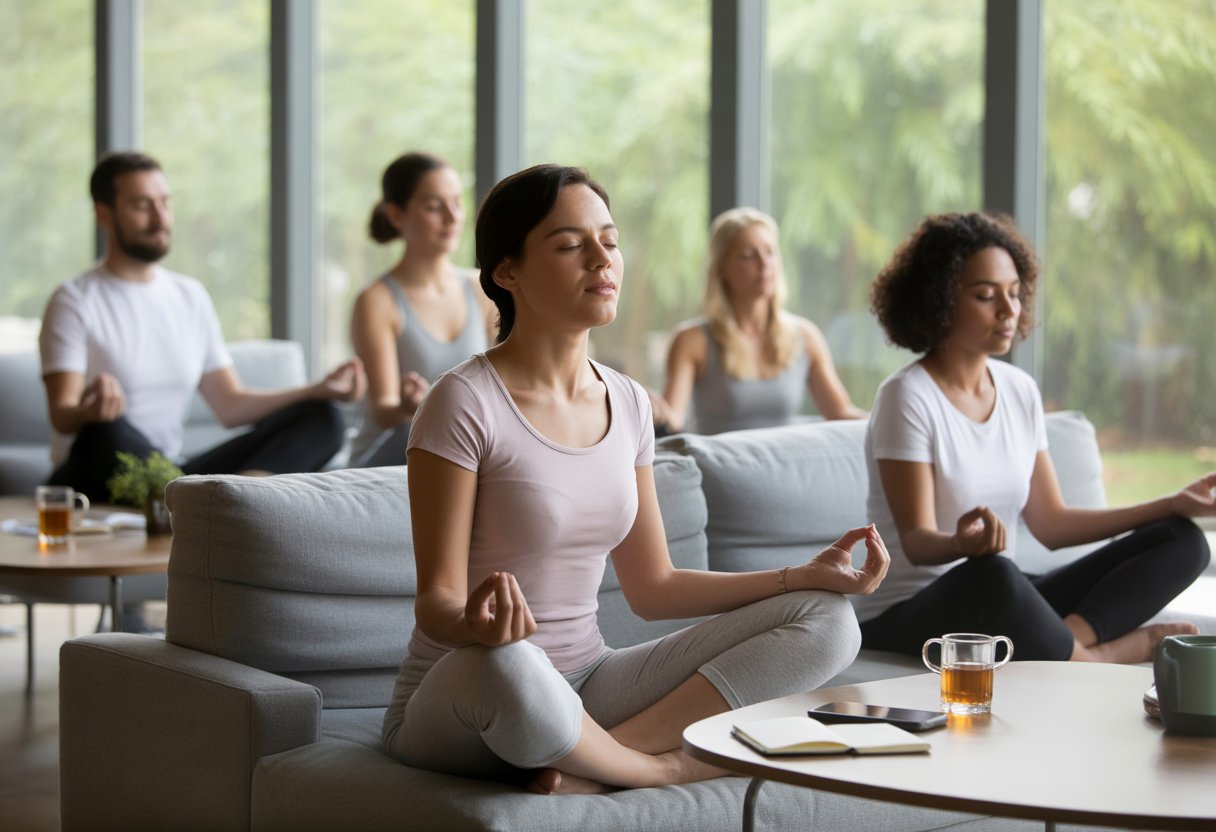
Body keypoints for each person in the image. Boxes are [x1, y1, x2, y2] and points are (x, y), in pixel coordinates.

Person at [380, 164, 891, 794]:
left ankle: (595, 760)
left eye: (610, 241)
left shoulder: (628, 402)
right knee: (511, 666)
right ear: (507, 272)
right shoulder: (463, 402)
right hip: (470, 691)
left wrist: (799, 577)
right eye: (570, 245)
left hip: (590, 682)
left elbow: (653, 587)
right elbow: (436, 603)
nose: (602, 259)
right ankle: (659, 767)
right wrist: (476, 628)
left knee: (829, 619)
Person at [857, 211, 1213, 663]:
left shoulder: (1019, 390)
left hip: (1003, 595)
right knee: (994, 574)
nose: (1009, 310)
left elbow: (1052, 524)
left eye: (1014, 293)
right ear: (939, 300)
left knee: (1181, 540)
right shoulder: (906, 396)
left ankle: (1068, 644)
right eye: (986, 296)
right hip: (912, 611)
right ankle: (1096, 660)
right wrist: (961, 546)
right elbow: (917, 540)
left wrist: (1171, 503)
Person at [40, 151, 367, 505]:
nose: (160, 218)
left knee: (323, 418)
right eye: (141, 205)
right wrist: (90, 411)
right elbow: (63, 416)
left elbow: (230, 405)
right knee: (102, 432)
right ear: (104, 213)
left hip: (170, 474)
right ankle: (197, 504)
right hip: (96, 469)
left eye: (165, 203)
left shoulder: (189, 296)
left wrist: (317, 389)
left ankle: (236, 502)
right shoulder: (74, 300)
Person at [654, 207, 866, 435]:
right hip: (715, 470)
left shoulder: (806, 336)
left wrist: (893, 420)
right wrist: (651, 408)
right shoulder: (692, 340)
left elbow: (840, 413)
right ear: (721, 268)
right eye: (748, 256)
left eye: (770, 252)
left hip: (786, 469)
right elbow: (673, 419)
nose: (764, 264)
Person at [348, 152, 495, 467]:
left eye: (457, 202)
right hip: (390, 453)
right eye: (433, 206)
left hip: (459, 448)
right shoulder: (377, 300)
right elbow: (384, 410)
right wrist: (411, 405)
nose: (452, 216)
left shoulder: (480, 289)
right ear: (396, 215)